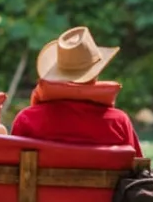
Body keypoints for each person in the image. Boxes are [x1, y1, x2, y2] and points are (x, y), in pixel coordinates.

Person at [9, 26, 141, 150]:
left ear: (57, 74)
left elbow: (11, 169)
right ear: (95, 74)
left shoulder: (27, 120)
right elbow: (140, 169)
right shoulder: (118, 122)